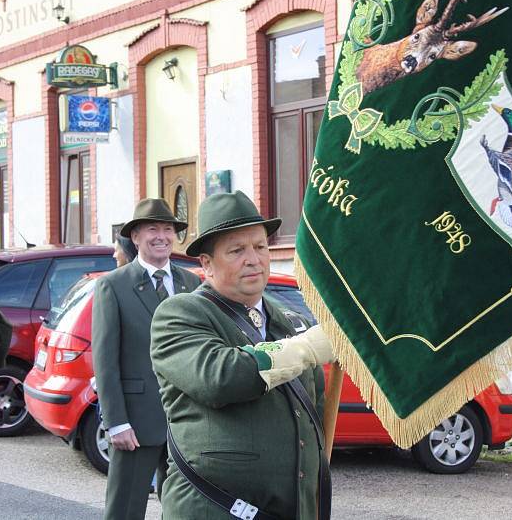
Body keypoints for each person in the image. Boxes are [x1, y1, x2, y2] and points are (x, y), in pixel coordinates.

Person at [150, 191, 334, 519]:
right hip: (213, 509)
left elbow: (313, 410)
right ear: (206, 264)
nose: (254, 259)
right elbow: (219, 377)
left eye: (260, 246)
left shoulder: (289, 321)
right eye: (237, 250)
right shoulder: (179, 314)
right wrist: (305, 348)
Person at [92, 198, 201, 520]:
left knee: (184, 508)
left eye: (168, 229)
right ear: (136, 237)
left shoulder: (191, 283)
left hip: (185, 420)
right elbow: (105, 360)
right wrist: (116, 421)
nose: (161, 236)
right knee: (125, 508)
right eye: (152, 229)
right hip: (135, 421)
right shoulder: (113, 285)